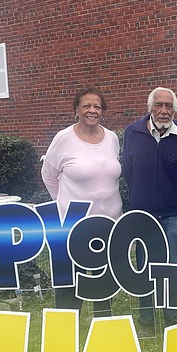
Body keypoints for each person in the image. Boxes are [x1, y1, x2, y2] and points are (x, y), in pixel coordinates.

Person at [41, 87, 122, 316]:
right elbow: (48, 174)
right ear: (77, 110)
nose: (92, 110)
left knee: (104, 280)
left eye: (97, 106)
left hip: (109, 223)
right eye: (86, 105)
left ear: (103, 111)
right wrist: (62, 203)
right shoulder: (64, 139)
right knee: (70, 281)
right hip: (74, 224)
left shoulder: (112, 139)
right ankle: (67, 327)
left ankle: (103, 326)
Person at [123, 87, 177, 332]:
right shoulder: (132, 132)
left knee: (172, 265)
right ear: (150, 107)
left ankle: (172, 320)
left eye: (168, 106)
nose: (164, 110)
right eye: (159, 105)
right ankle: (146, 321)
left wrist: (174, 199)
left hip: (172, 215)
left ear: (174, 109)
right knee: (144, 266)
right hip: (143, 216)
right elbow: (128, 172)